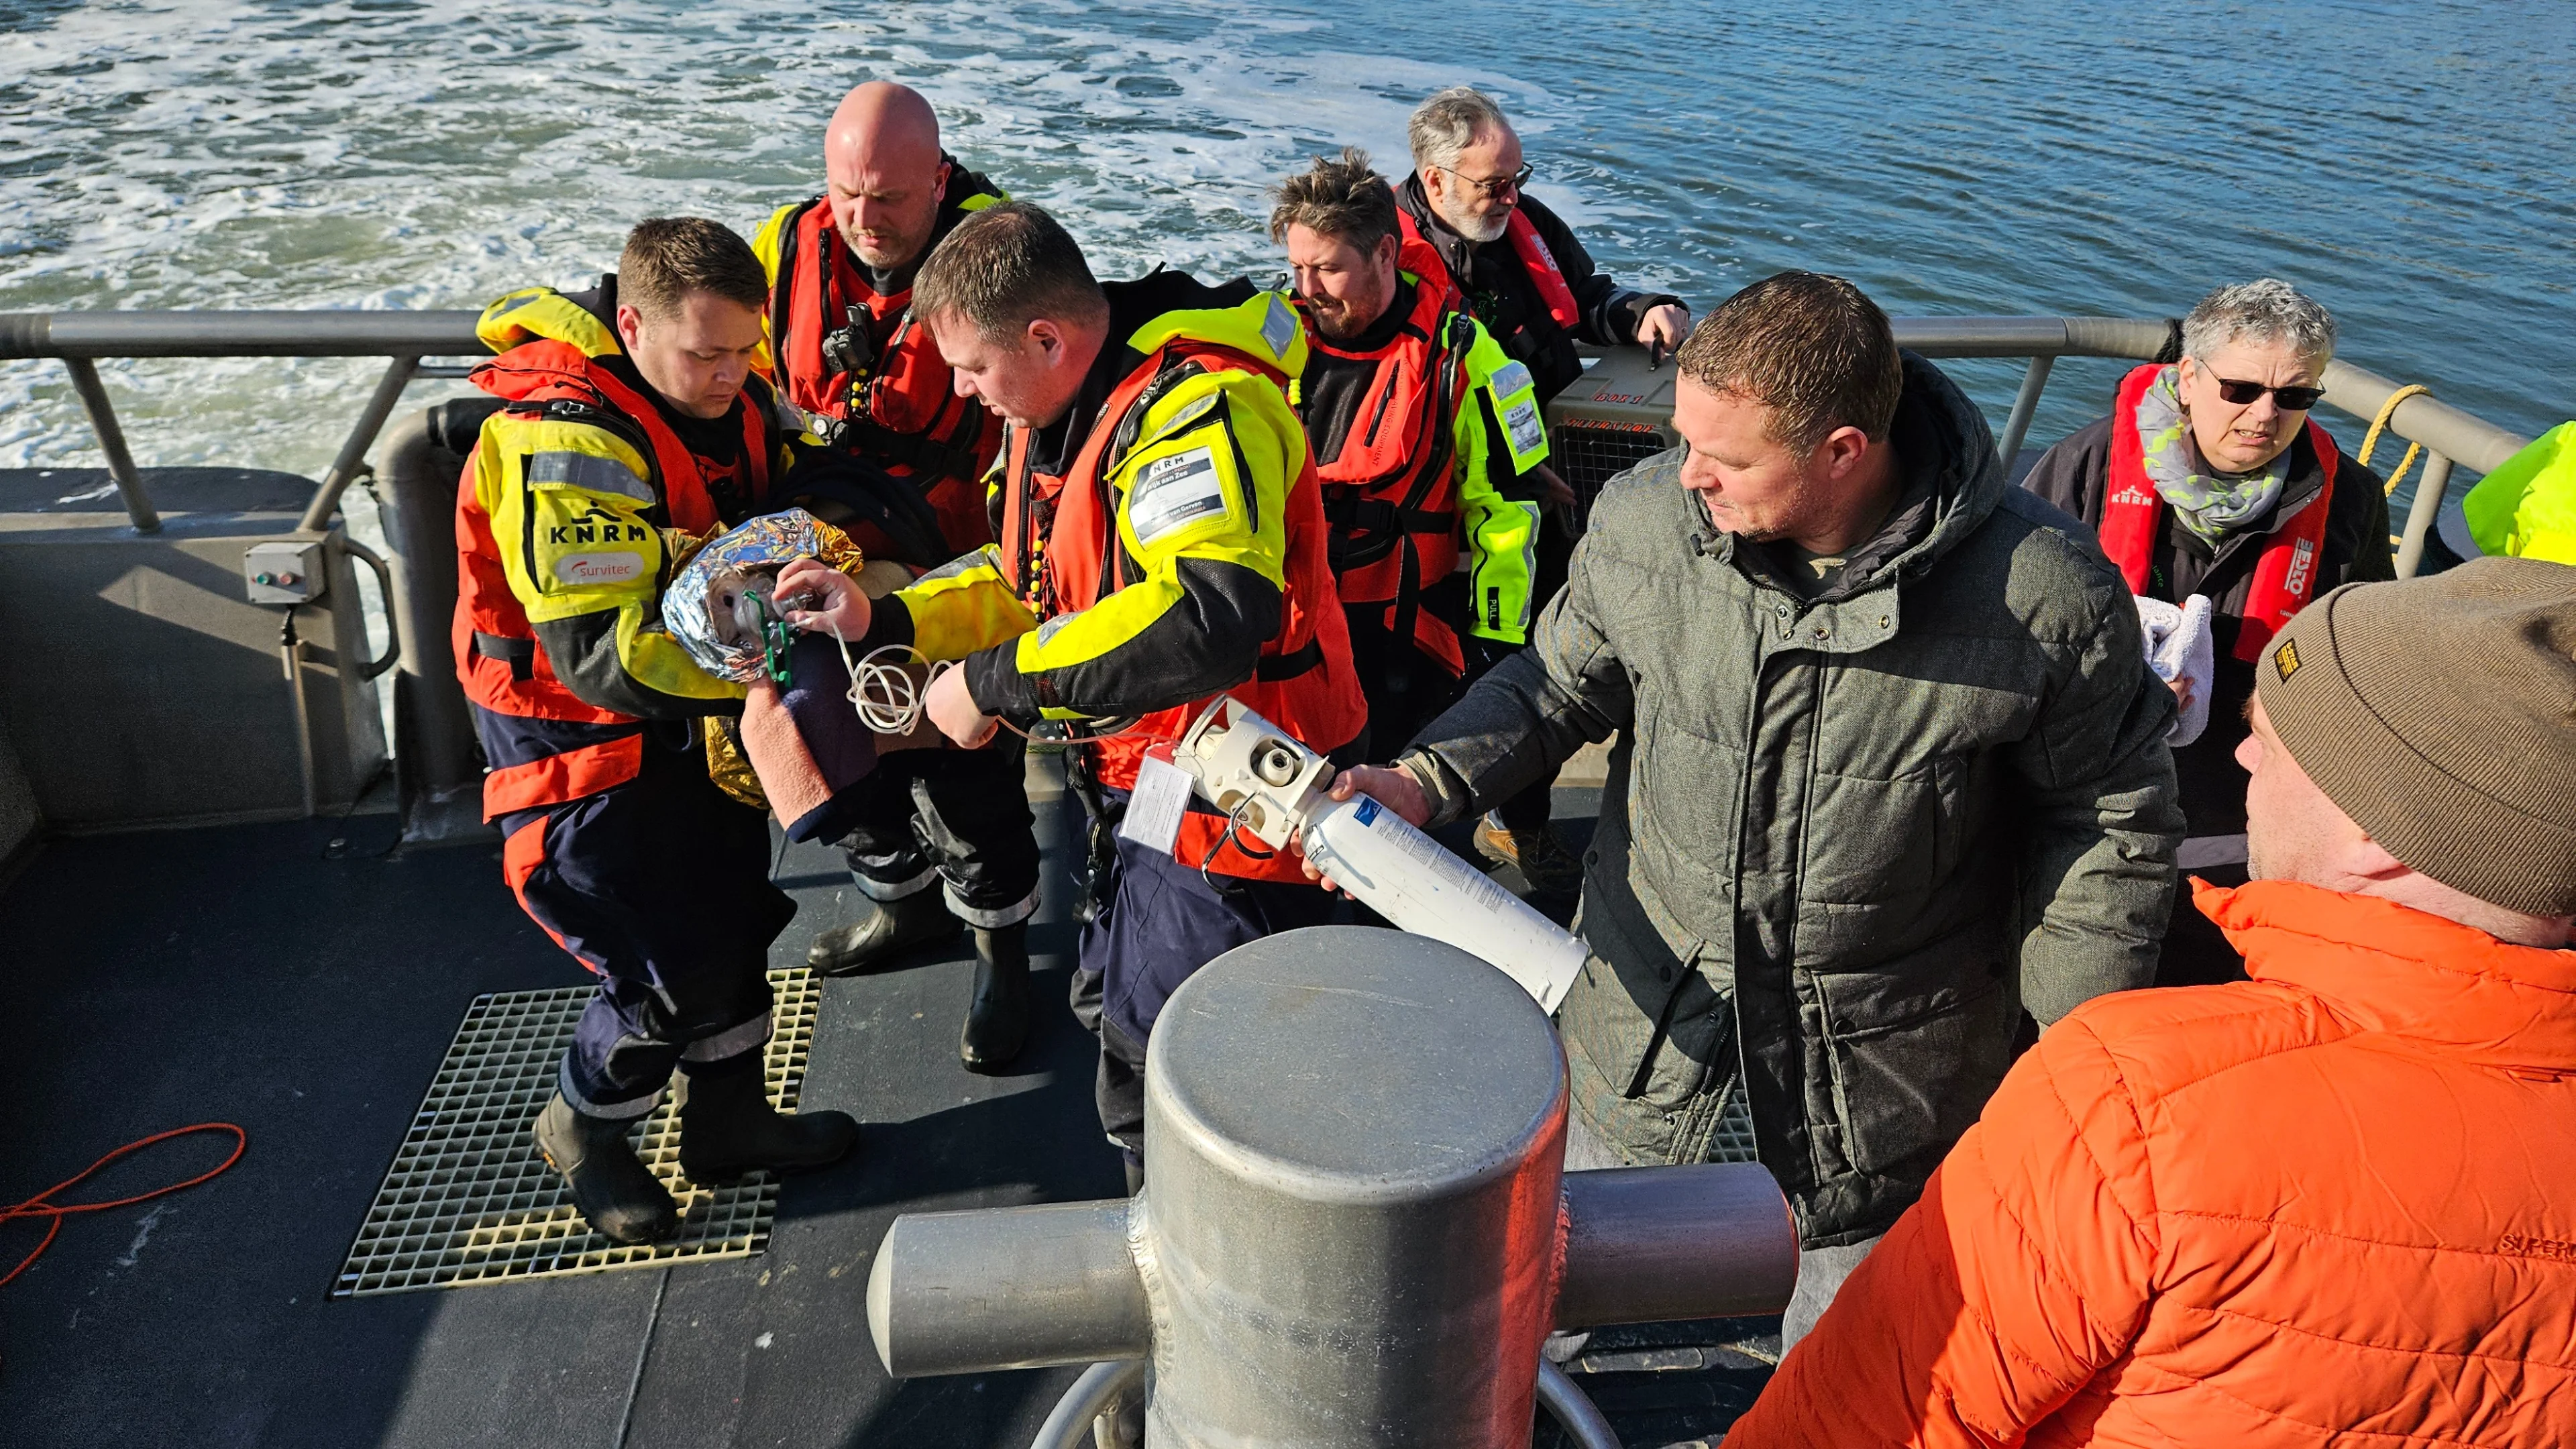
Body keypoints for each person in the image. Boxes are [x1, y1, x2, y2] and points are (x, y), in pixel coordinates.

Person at [1314, 272, 2182, 1348]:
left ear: (1844, 453)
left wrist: (2066, 1068)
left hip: (1885, 1082)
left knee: (1851, 1362)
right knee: (1545, 1292)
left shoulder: (2046, 596)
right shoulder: (1646, 523)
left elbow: (2105, 831)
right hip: (1644, 1022)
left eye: (1723, 460)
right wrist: (1427, 780)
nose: (1688, 479)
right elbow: (1556, 681)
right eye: (1684, 442)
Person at [1727, 557, 2576, 1448]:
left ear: (2377, 829)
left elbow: (1862, 1422)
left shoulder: (2139, 1107)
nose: (2242, 754)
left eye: (2273, 739)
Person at [778, 202, 1367, 1189]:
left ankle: (1210, 1291)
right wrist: (885, 621)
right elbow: (1036, 583)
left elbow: (1207, 617)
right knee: (1127, 1023)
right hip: (1149, 797)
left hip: (1243, 824)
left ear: (1047, 338)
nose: (962, 394)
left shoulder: (1196, 415)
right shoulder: (1061, 415)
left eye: (970, 367)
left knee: (1209, 1085)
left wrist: (991, 684)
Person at [453, 218, 859, 1245]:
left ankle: (727, 1122)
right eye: (706, 355)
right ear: (632, 324)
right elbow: (607, 653)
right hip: (581, 741)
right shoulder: (568, 446)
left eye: (744, 352)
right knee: (660, 958)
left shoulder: (728, 387)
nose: (731, 376)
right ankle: (584, 1124)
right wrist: (780, 667)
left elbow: (799, 479)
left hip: (698, 714)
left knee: (732, 909)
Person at [749, 80, 1042, 1072]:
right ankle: (902, 904)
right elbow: (726, 357)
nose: (867, 222)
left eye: (892, 199)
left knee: (960, 766)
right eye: (847, 197)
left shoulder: (1002, 263)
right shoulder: (787, 244)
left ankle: (1003, 953)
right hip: (819, 546)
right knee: (812, 732)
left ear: (941, 177)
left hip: (955, 566)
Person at [2024, 278, 2391, 987]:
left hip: (2233, 807)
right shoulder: (2084, 466)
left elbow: (2362, 647)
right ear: (2188, 380)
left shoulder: (2351, 498)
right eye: (2243, 389)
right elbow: (2008, 628)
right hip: (2083, 789)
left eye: (2296, 396)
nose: (2266, 415)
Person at [1395, 86, 1690, 894]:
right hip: (1458, 516)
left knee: (1564, 650)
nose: (1511, 198)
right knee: (1487, 673)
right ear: (1435, 179)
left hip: (1555, 485)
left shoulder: (1525, 225)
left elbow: (1585, 298)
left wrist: (1639, 312)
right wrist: (1507, 469)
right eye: (1495, 184)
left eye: (1517, 179)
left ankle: (1518, 821)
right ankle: (1465, 827)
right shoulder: (1388, 255)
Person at [1270, 147, 1548, 749]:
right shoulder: (1271, 343)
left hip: (1398, 634)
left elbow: (1507, 512)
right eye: (1295, 269)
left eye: (1327, 269)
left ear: (1385, 253)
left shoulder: (1468, 360)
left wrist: (1494, 640)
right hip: (1287, 624)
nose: (1308, 289)